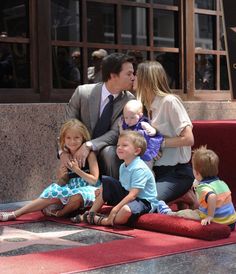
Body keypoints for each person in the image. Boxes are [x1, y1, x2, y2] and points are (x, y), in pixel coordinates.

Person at [0, 119, 100, 221]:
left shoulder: (90, 155)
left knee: (77, 197)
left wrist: (77, 170)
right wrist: (62, 176)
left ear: (83, 138)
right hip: (71, 188)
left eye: (76, 138)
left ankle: (60, 213)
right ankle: (15, 214)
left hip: (89, 188)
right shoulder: (66, 155)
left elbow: (94, 180)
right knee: (50, 194)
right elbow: (62, 182)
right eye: (68, 138)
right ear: (63, 140)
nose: (72, 141)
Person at [71, 131, 171, 226]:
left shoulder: (139, 168)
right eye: (118, 145)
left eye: (124, 145)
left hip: (143, 201)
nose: (119, 148)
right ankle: (90, 213)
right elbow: (121, 186)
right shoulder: (123, 166)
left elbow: (133, 195)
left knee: (125, 211)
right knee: (107, 182)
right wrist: (102, 189)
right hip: (128, 195)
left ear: (137, 151)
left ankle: (104, 221)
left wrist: (115, 209)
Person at [63, 52, 135, 179]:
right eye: (129, 74)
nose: (133, 77)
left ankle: (115, 193)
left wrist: (89, 145)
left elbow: (115, 133)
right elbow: (66, 125)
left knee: (110, 152)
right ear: (113, 75)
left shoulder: (129, 100)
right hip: (77, 149)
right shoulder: (83, 93)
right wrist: (62, 151)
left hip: (105, 150)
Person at [135, 61, 196, 205]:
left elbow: (188, 139)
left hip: (176, 173)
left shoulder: (170, 101)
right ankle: (182, 195)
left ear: (146, 79)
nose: (133, 78)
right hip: (153, 171)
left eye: (136, 75)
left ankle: (183, 193)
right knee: (127, 199)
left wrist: (159, 143)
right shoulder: (140, 105)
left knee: (144, 203)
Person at [173, 146, 236, 231]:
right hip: (231, 222)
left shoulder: (203, 187)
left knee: (183, 213)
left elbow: (212, 196)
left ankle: (167, 212)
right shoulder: (222, 183)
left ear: (197, 173)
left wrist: (210, 216)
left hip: (216, 221)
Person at [119, 99, 164, 168]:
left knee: (146, 165)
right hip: (132, 152)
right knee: (131, 165)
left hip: (145, 150)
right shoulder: (124, 125)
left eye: (132, 117)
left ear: (140, 115)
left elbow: (152, 131)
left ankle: (148, 175)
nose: (128, 121)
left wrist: (152, 131)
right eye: (126, 117)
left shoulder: (142, 124)